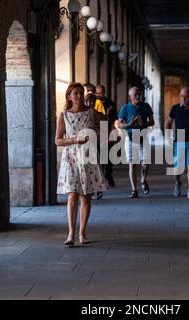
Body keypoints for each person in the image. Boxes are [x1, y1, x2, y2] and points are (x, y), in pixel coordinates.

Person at [56, 83, 106, 246]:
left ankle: (82, 234)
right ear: (69, 96)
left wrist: (96, 136)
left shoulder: (91, 112)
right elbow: (58, 140)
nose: (78, 96)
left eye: (80, 93)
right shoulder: (63, 115)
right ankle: (70, 234)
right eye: (75, 93)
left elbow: (105, 126)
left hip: (87, 157)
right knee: (72, 195)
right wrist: (74, 140)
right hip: (70, 157)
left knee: (86, 196)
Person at [166, 88, 189, 200]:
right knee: (178, 167)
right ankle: (177, 183)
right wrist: (168, 138)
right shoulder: (175, 108)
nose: (183, 98)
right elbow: (168, 123)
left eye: (186, 96)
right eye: (181, 96)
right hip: (179, 138)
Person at [118, 87, 155, 199]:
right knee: (132, 164)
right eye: (135, 94)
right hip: (130, 138)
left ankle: (143, 179)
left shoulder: (146, 106)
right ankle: (134, 190)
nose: (138, 96)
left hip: (143, 136)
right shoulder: (125, 108)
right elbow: (119, 125)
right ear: (130, 96)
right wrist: (129, 124)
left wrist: (143, 123)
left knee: (145, 163)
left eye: (139, 94)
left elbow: (152, 122)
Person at [96, 85, 117, 187]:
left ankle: (108, 174)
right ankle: (100, 177)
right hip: (95, 131)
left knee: (108, 155)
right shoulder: (93, 103)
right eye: (98, 93)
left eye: (101, 93)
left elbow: (115, 119)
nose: (99, 95)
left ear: (104, 92)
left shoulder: (110, 104)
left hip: (107, 130)